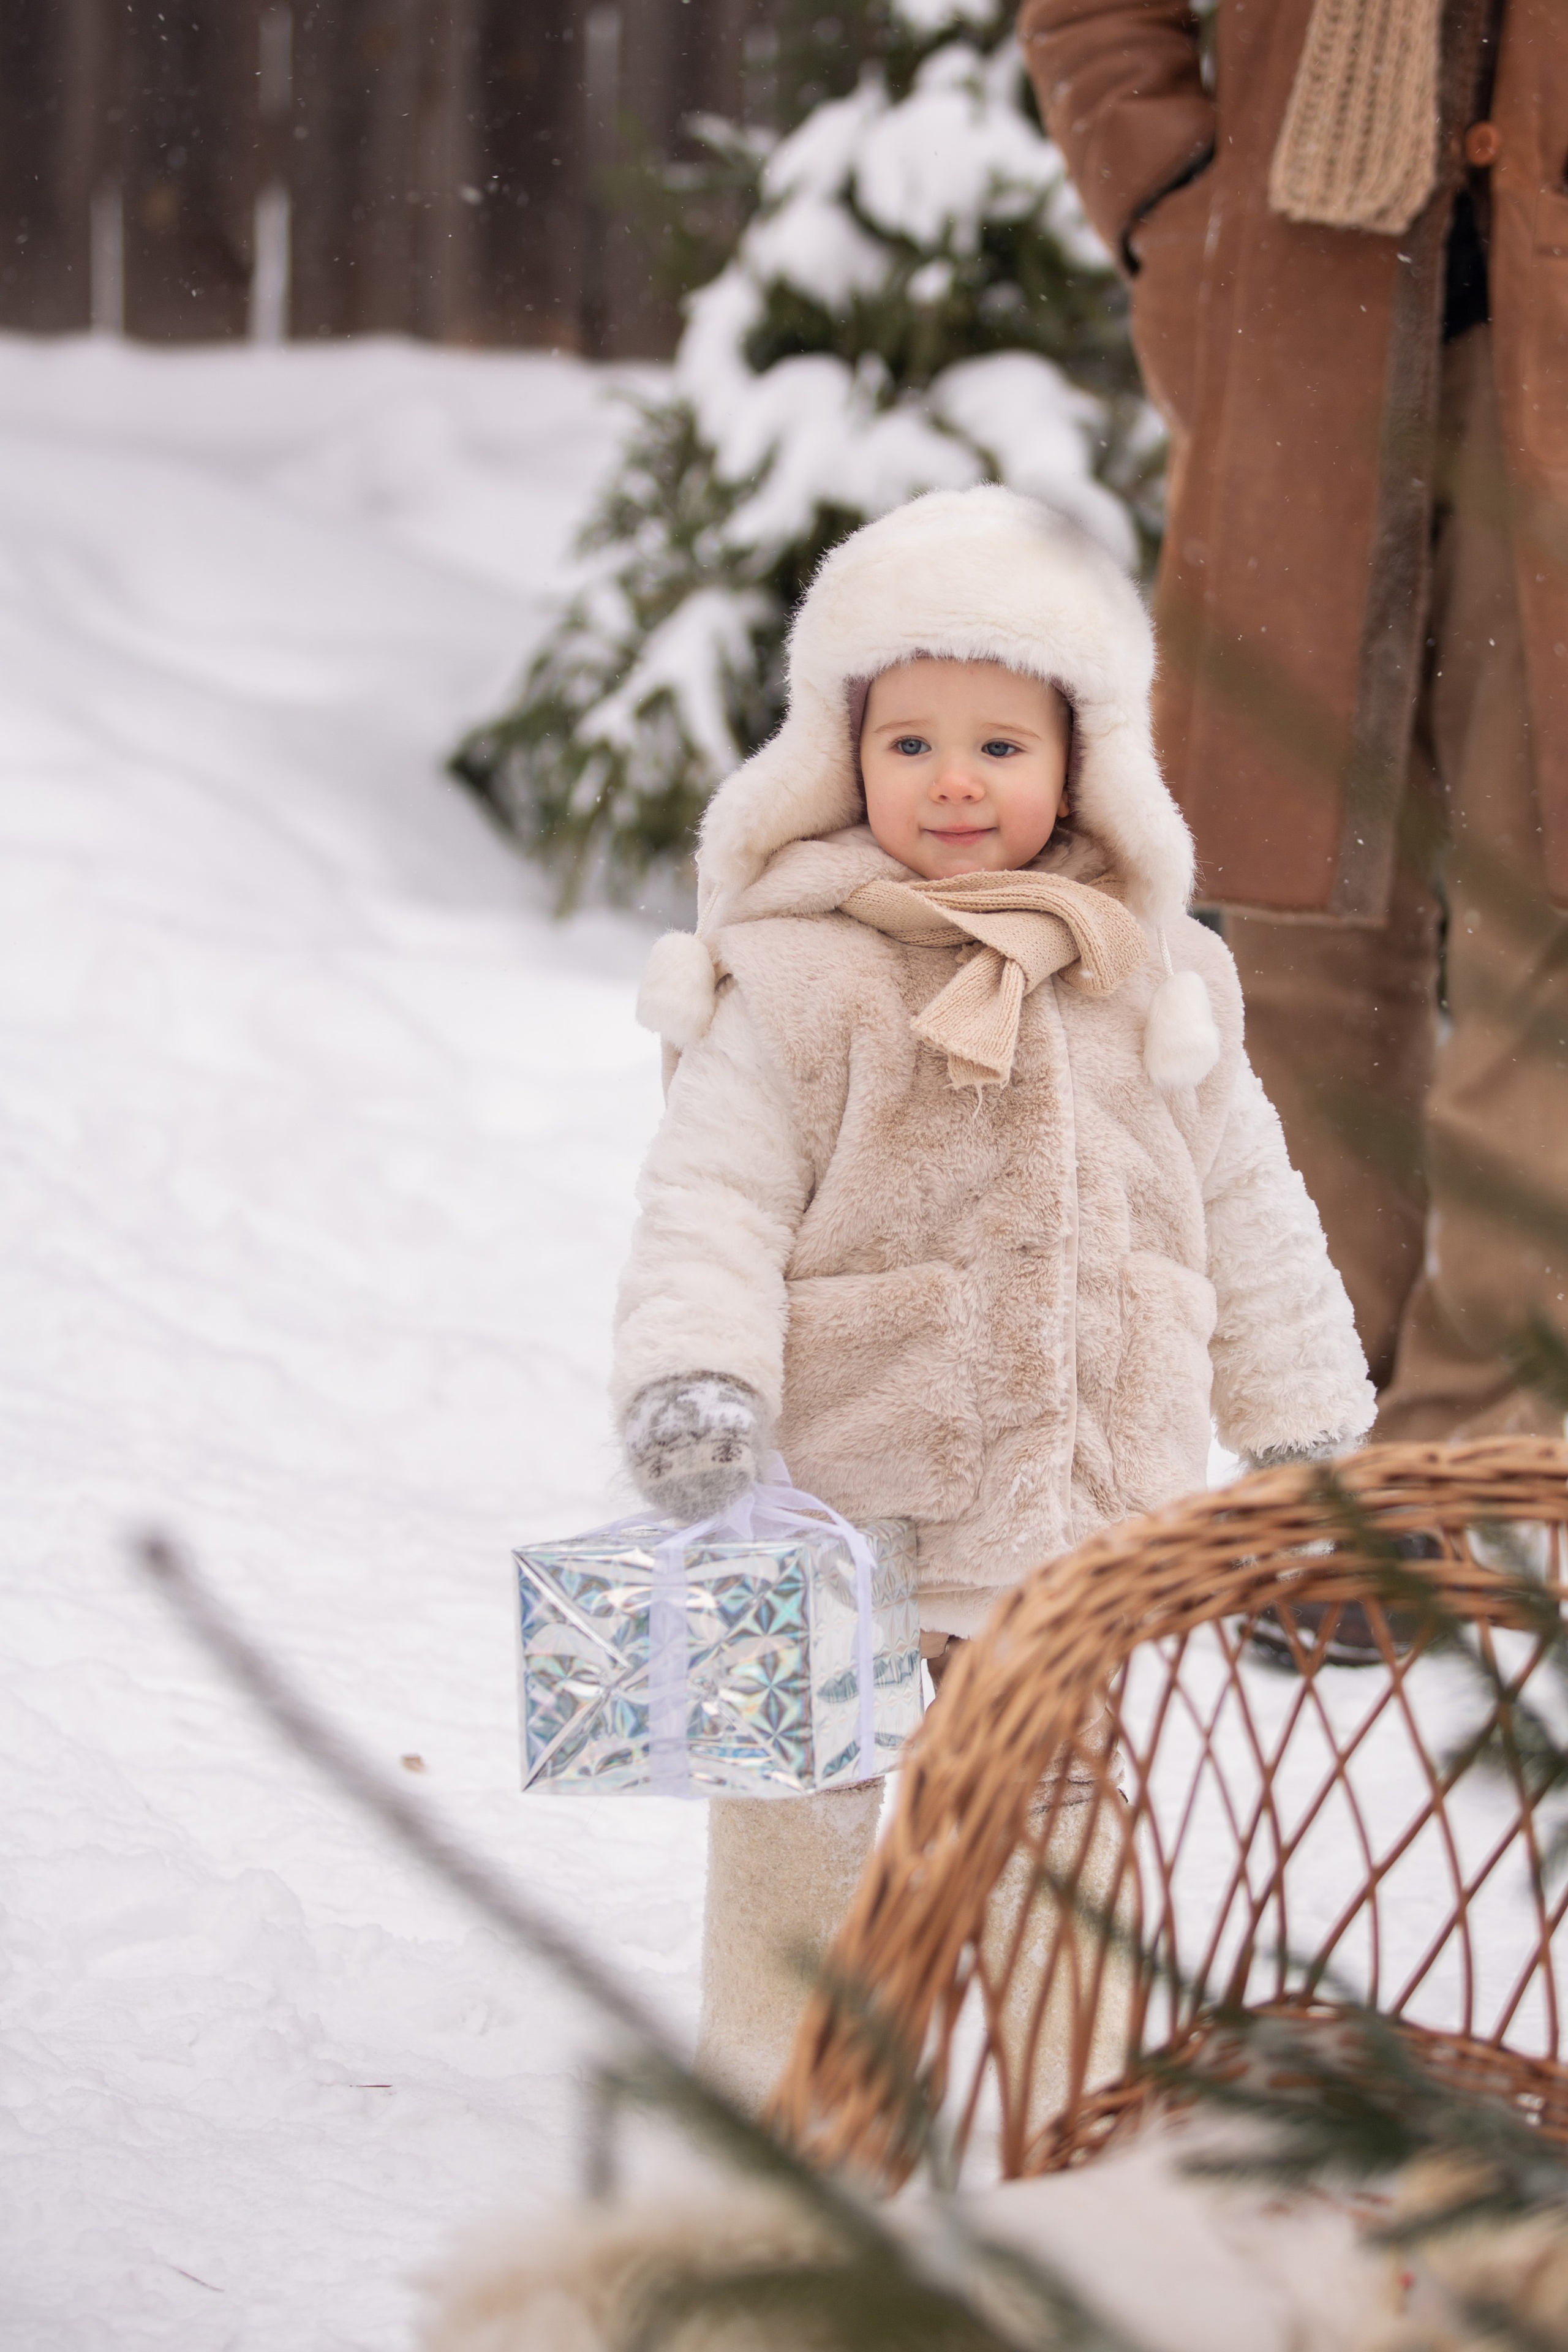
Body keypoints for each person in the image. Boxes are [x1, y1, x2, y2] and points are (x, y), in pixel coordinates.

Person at [612, 485, 1373, 2100]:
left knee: (1068, 1808)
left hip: (1079, 1505)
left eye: (1002, 747)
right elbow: (709, 1204)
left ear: (1085, 763)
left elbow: (1253, 1206)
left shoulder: (1157, 986)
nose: (954, 782)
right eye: (910, 745)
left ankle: (1067, 2087)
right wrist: (696, 1387)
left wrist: (1305, 1422)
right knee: (797, 1798)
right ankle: (777, 2075)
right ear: (842, 755)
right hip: (835, 1500)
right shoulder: (798, 985)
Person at [1017, 0, 1568, 1446]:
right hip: (1304, 338)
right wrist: (1169, 212)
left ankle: (1474, 1457)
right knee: (1301, 933)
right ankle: (1319, 1442)